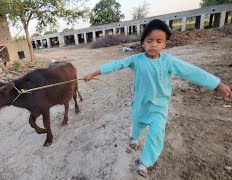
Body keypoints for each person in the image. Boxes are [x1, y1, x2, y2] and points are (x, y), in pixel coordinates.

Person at [83, 19, 232, 177]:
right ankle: (134, 138)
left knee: (157, 132)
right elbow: (116, 64)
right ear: (143, 43)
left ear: (165, 44)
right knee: (138, 124)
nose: (153, 44)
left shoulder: (168, 61)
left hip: (160, 106)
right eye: (149, 41)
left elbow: (191, 71)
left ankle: (144, 161)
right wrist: (93, 73)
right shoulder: (136, 60)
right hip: (141, 104)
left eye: (159, 41)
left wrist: (218, 84)